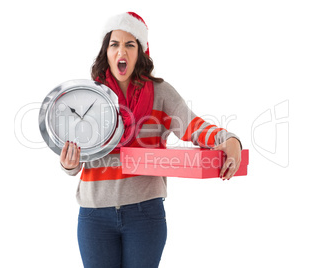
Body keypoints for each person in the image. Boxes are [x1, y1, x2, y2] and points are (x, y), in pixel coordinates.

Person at [60, 12, 242, 268]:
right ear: (106, 53)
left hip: (144, 215)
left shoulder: (161, 93)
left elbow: (193, 126)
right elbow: (78, 155)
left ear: (140, 52)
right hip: (94, 215)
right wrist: (70, 164)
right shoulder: (89, 97)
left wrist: (229, 139)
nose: (121, 50)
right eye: (114, 44)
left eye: (129, 44)